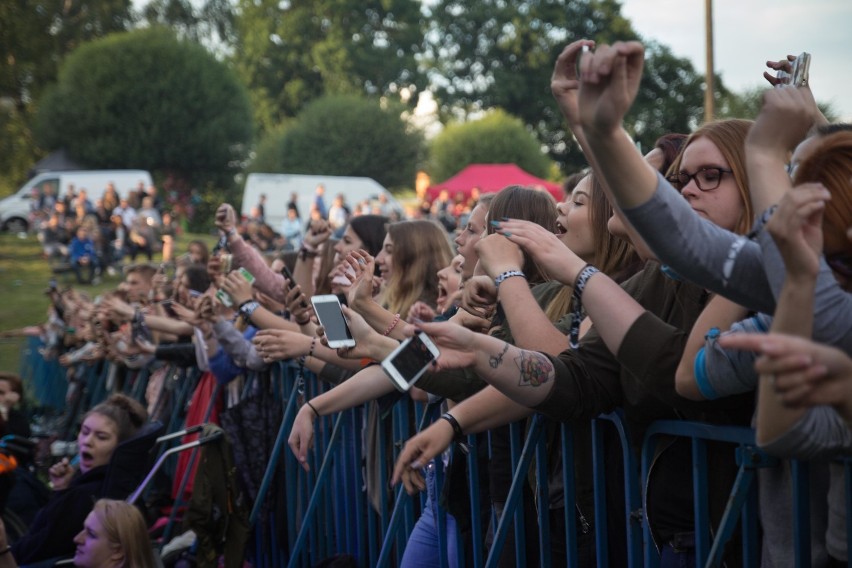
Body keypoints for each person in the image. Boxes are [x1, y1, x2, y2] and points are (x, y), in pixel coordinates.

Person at [10, 395, 148, 565]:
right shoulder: (96, 484)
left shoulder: (88, 495)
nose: (87, 442)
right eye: (85, 432)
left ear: (121, 447)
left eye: (101, 437)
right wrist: (61, 490)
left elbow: (38, 547)